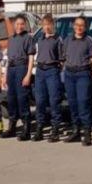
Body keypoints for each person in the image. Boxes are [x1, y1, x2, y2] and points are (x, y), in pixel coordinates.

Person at [62, 16, 92, 146]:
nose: (79, 27)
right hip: (69, 74)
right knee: (72, 103)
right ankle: (76, 131)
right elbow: (64, 57)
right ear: (73, 26)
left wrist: (88, 72)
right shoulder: (67, 40)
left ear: (85, 27)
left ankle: (87, 133)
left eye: (82, 25)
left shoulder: (89, 40)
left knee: (83, 103)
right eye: (77, 24)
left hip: (83, 74)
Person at [2, 13, 36, 140]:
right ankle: (12, 127)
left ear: (25, 25)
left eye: (22, 24)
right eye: (17, 24)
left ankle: (26, 129)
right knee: (11, 99)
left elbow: (31, 57)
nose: (20, 26)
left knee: (22, 99)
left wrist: (28, 74)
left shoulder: (28, 38)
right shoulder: (11, 39)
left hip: (22, 68)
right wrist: (5, 75)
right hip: (11, 69)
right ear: (14, 25)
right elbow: (8, 59)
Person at [33, 13, 65, 143]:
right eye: (44, 25)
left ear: (52, 25)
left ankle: (55, 129)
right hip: (40, 71)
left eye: (48, 25)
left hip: (52, 70)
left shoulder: (58, 39)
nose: (46, 27)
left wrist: (57, 69)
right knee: (40, 101)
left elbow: (62, 59)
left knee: (54, 101)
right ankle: (39, 128)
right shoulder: (40, 39)